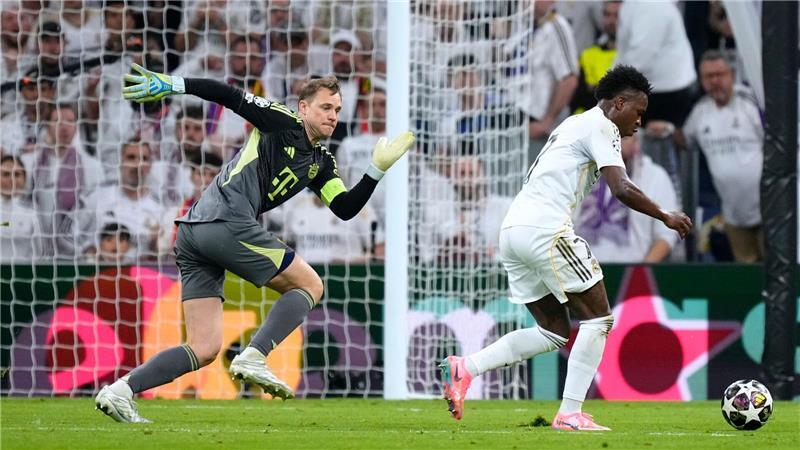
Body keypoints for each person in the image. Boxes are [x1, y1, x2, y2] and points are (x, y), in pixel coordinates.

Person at [94, 63, 415, 423]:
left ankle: (120, 391)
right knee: (310, 284)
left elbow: (343, 208)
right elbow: (228, 95)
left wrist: (376, 171)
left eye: (338, 110)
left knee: (204, 347)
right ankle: (255, 354)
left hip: (194, 233)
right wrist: (173, 84)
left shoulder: (321, 162)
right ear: (303, 107)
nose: (333, 116)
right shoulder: (281, 121)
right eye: (326, 107)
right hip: (225, 221)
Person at [439, 65, 692, 430]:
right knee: (599, 318)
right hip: (546, 230)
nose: (639, 121)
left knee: (553, 330)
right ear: (619, 103)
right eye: (638, 112)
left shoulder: (572, 124)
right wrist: (665, 214)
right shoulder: (602, 126)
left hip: (513, 230)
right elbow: (621, 188)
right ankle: (570, 412)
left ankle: (467, 367)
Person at [681, 51, 764, 262]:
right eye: (709, 77)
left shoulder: (751, 102)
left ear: (732, 74)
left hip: (769, 211)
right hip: (734, 215)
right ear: (702, 80)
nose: (715, 81)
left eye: (720, 74)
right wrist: (666, 130)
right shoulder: (700, 112)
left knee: (777, 273)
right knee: (748, 277)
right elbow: (684, 140)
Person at [574, 132, 679, 263]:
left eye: (624, 137)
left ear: (636, 141)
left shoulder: (655, 177)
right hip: (580, 274)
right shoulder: (580, 173)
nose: (617, 142)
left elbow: (666, 236)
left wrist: (639, 273)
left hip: (631, 271)